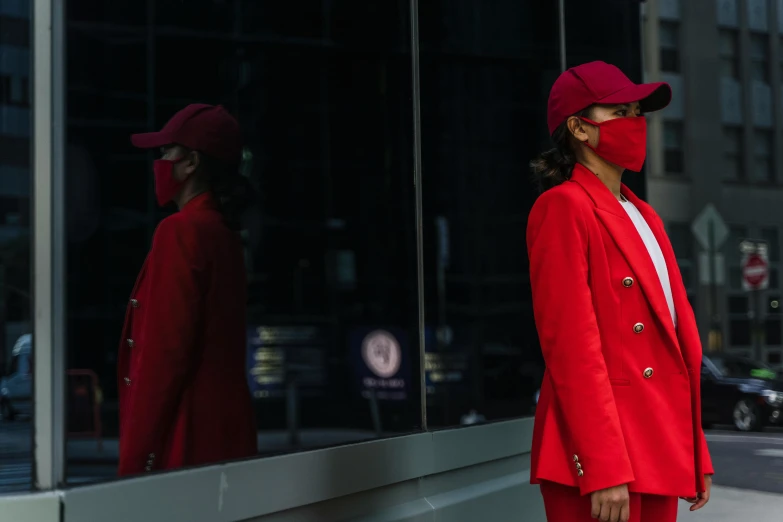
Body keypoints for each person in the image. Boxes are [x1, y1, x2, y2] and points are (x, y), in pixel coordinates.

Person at [526, 61, 714, 522]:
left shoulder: (645, 215)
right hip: (602, 458)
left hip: (656, 443)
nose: (636, 124)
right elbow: (571, 348)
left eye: (636, 111)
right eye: (620, 112)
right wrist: (603, 465)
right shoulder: (563, 206)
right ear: (579, 128)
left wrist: (695, 450)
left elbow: (675, 343)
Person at [117, 104, 257, 476]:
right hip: (227, 437)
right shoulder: (223, 234)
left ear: (191, 162)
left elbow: (163, 357)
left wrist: (135, 460)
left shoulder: (180, 232)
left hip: (185, 439)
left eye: (167, 152)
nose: (160, 162)